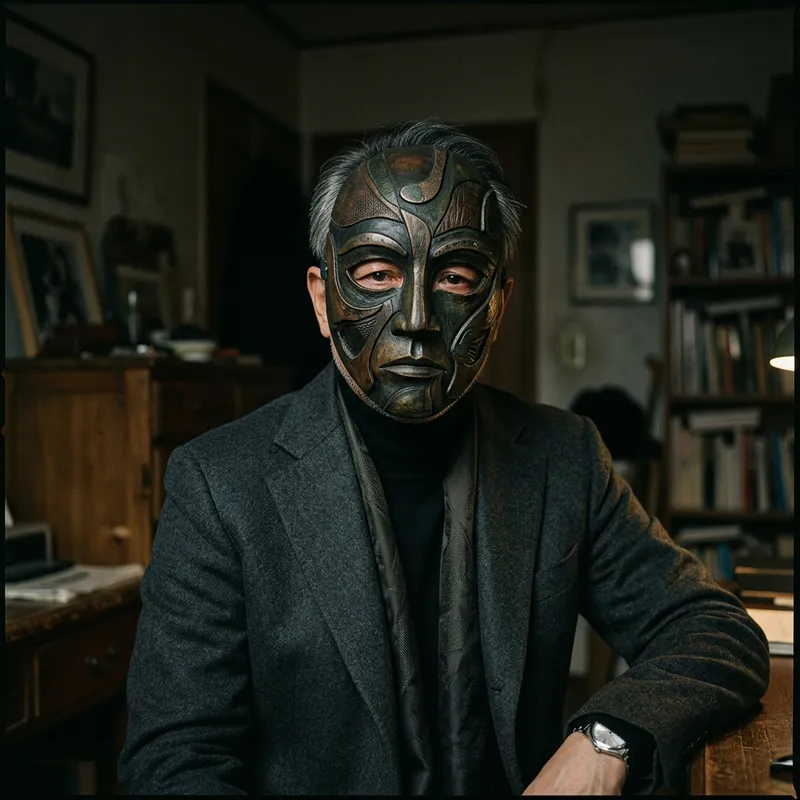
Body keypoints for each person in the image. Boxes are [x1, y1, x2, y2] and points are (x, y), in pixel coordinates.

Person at [119, 119, 770, 796]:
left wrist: (605, 739)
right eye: (375, 272)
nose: (415, 319)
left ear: (501, 301)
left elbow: (713, 628)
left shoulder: (563, 459)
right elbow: (172, 764)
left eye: (457, 276)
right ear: (320, 298)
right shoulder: (220, 484)